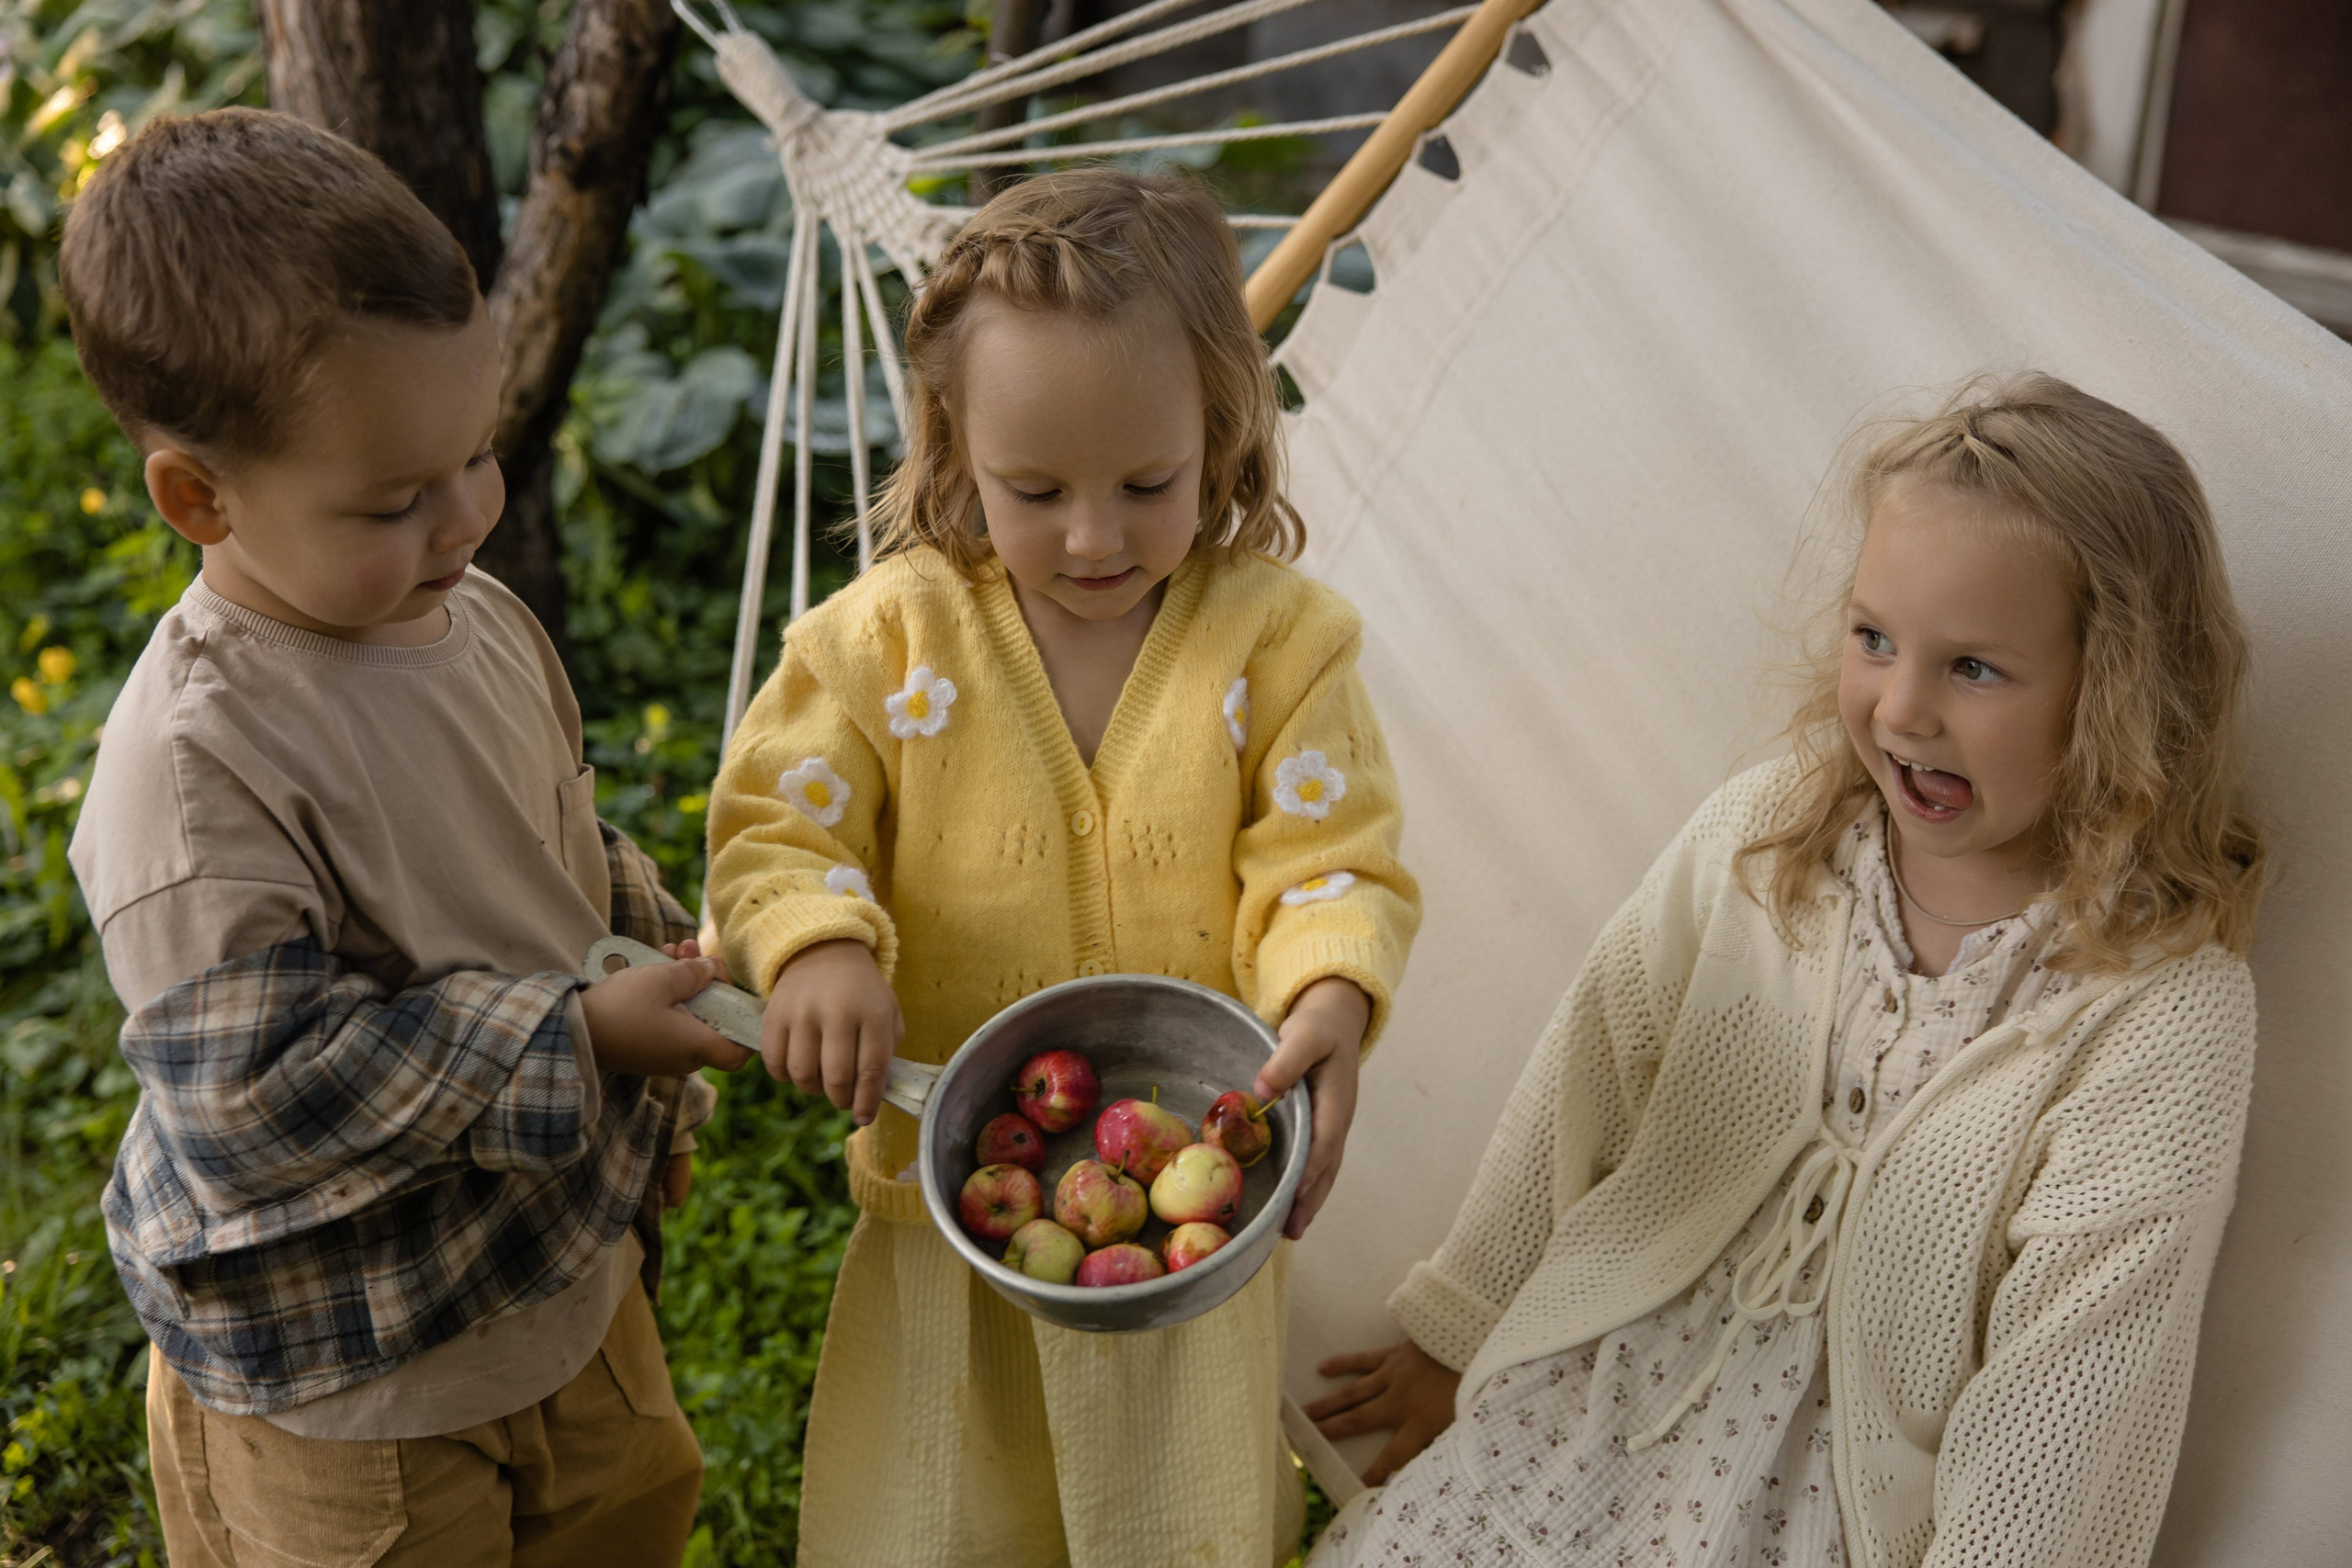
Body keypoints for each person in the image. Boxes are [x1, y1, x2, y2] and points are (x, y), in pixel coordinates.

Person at [1301, 375, 2265, 1568]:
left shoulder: (2160, 1016)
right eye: (1874, 639)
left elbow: (2070, 1392)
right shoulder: (1771, 839)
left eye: (1973, 669)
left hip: (1835, 1520)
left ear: (2117, 687)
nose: (1902, 708)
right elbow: (1592, 1065)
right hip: (1587, 1406)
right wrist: (1462, 1328)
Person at [62, 108, 752, 1566]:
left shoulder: (467, 614)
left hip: (549, 1263)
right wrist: (581, 1044)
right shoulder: (198, 773)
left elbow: (551, 842)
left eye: (480, 453)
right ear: (200, 495)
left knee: (622, 1516)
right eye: (394, 498)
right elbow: (258, 1099)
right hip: (349, 1369)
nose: (467, 518)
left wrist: (659, 1045)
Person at [704, 167, 1422, 1565]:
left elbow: (1328, 857)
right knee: (945, 1509)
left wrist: (1329, 997)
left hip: (1184, 1220)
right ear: (953, 446)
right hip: (952, 1193)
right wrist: (814, 940)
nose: (1094, 537)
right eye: (1034, 490)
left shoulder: (1281, 644)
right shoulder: (886, 642)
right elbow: (778, 823)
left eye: (1146, 484)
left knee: (1180, 1516)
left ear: (1218, 439)